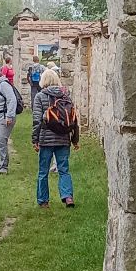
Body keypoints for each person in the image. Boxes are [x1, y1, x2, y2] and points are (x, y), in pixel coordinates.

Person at [32, 64, 80, 209]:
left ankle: (43, 201)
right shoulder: (66, 96)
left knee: (43, 171)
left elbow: (37, 120)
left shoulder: (40, 96)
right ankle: (68, 196)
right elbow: (73, 118)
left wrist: (35, 139)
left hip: (46, 139)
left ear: (43, 81)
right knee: (64, 169)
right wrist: (75, 140)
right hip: (63, 138)